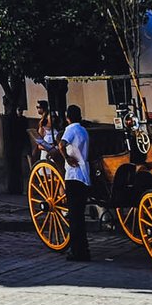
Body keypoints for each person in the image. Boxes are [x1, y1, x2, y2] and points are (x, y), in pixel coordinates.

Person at [61, 104, 90, 261]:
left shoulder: (70, 129)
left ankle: (76, 251)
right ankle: (83, 249)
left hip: (73, 175)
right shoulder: (83, 130)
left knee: (74, 216)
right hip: (85, 174)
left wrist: (66, 157)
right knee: (79, 215)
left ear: (68, 117)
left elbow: (61, 144)